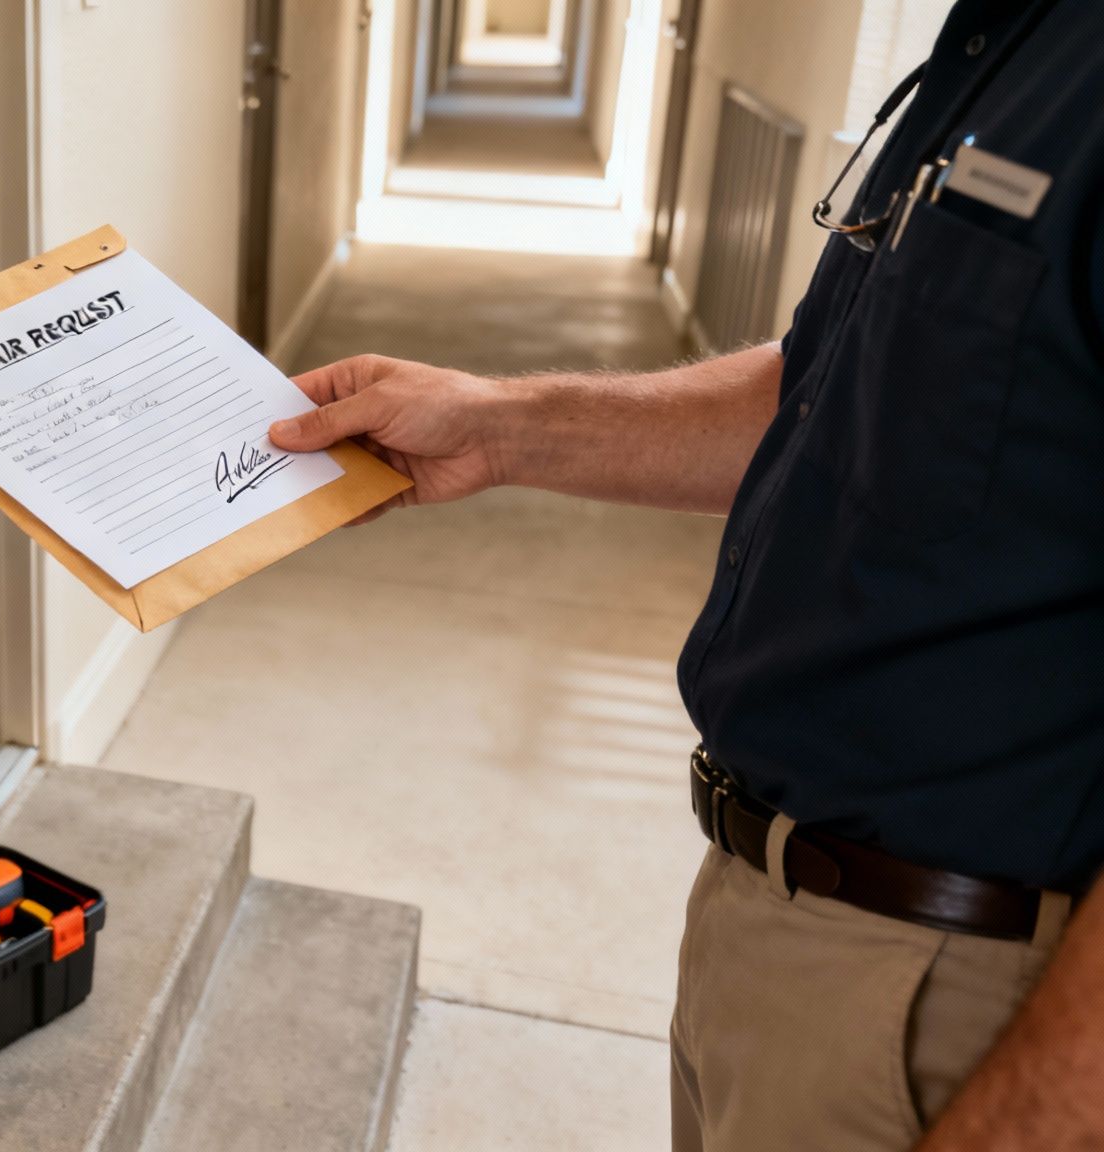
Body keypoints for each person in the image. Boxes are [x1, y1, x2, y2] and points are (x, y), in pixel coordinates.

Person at [271, 2, 1101, 1149]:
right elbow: (839, 387)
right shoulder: (1006, 43)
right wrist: (498, 424)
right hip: (774, 919)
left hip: (965, 997)